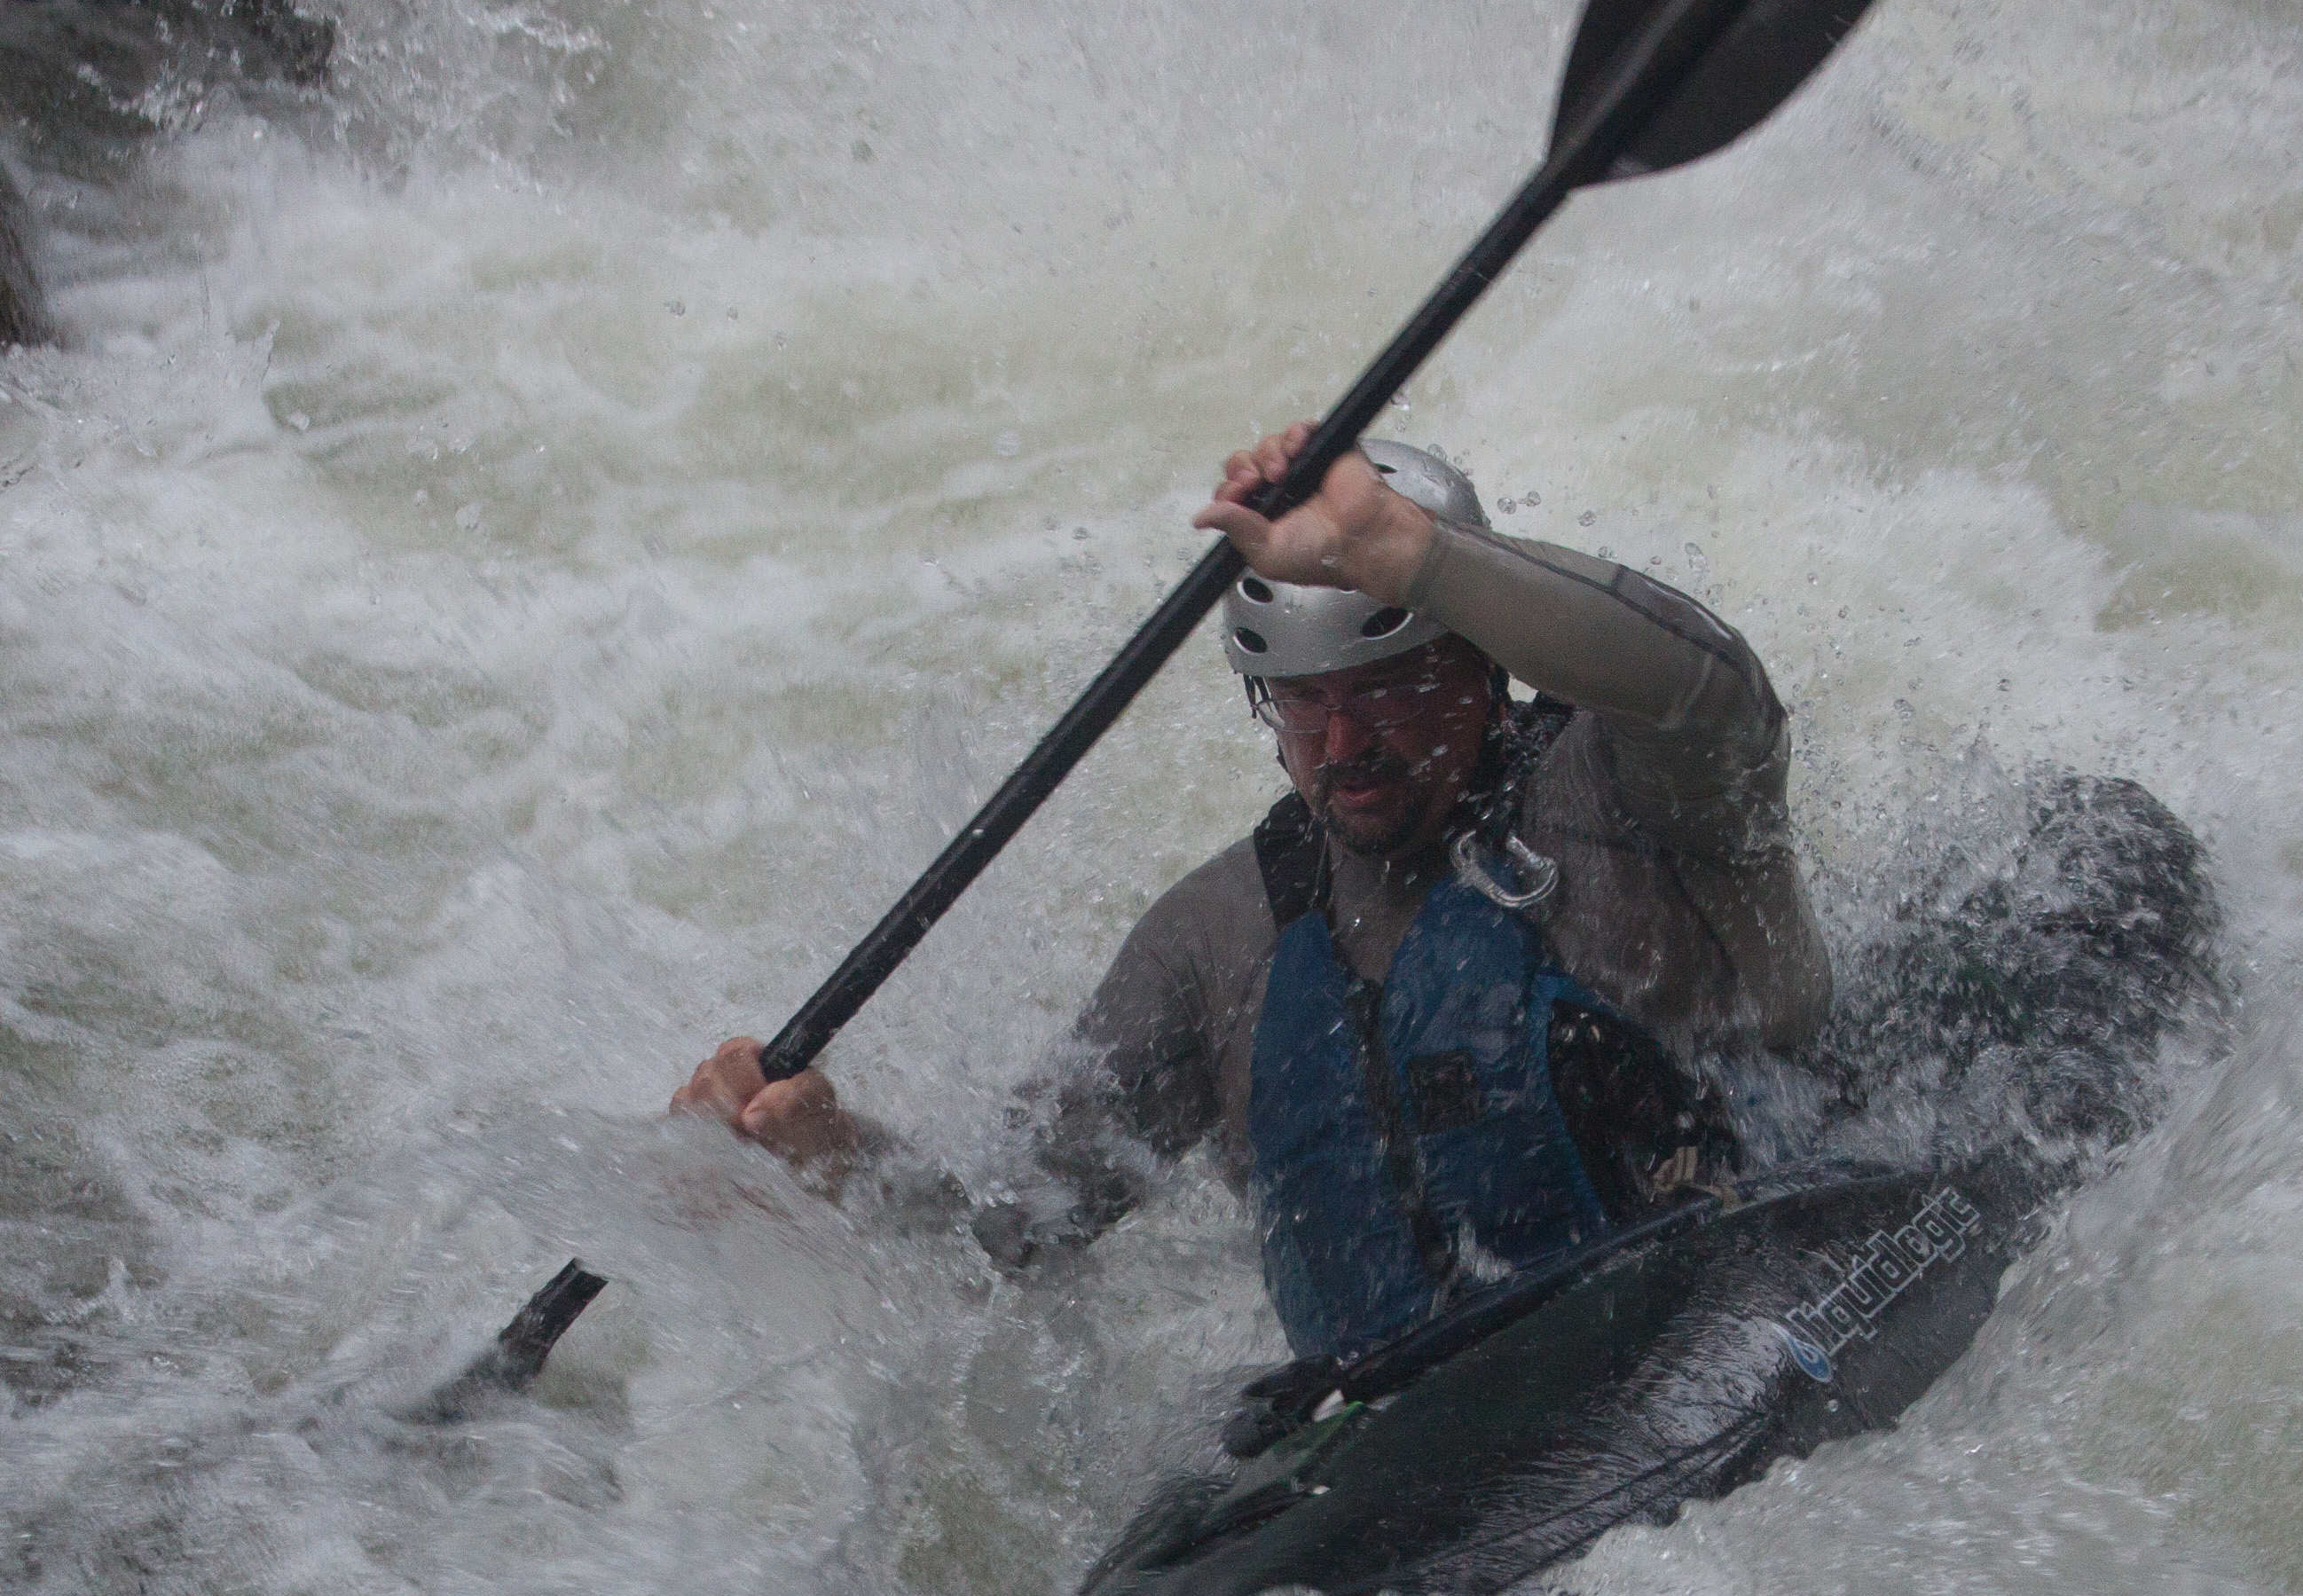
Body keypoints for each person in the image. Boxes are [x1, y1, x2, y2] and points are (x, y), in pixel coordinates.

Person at [675, 422, 1828, 1366]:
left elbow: (1711, 683)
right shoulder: (1215, 942)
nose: (1345, 742)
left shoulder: (1636, 797)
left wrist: (1406, 552)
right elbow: (1007, 1235)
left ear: (1483, 665)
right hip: (1433, 1438)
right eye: (1304, 701)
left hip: (1736, 1296)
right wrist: (833, 1156)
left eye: (1388, 687)